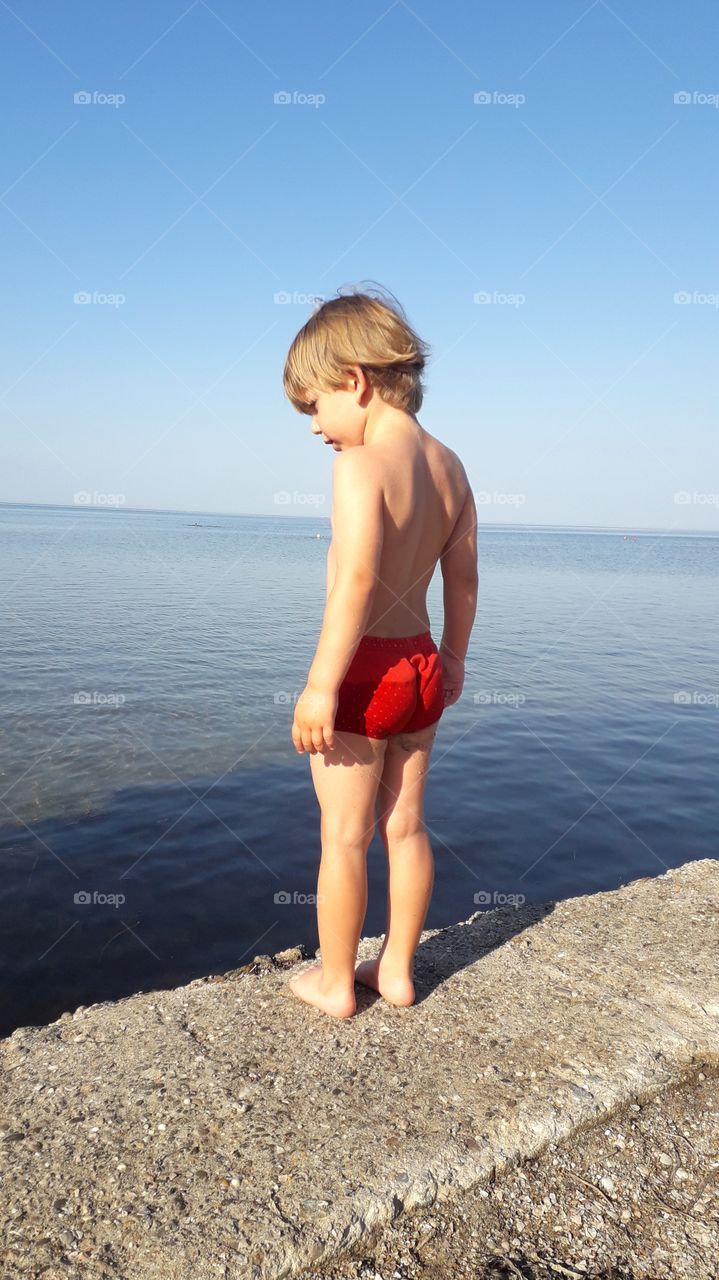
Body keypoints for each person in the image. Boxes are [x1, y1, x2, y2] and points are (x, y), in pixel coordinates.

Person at [282, 285, 479, 1018]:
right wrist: (453, 660)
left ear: (354, 383)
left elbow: (358, 579)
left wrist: (319, 686)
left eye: (313, 406)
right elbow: (463, 576)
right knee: (405, 823)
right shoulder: (450, 466)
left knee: (342, 834)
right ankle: (395, 971)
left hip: (364, 671)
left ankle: (334, 982)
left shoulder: (358, 468)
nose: (313, 428)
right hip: (422, 664)